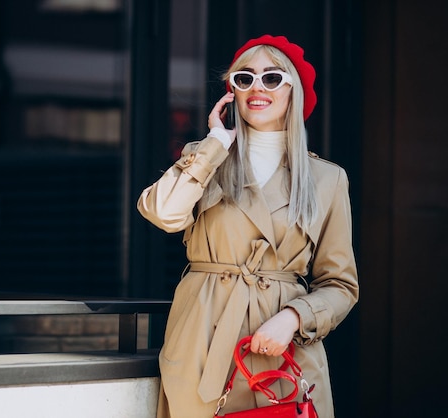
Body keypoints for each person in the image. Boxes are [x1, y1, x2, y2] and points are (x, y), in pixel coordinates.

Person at [137, 34, 359, 418]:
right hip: (203, 344)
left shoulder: (327, 179)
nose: (257, 87)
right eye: (244, 78)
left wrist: (294, 318)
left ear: (294, 92)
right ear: (233, 92)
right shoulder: (206, 158)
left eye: (272, 78)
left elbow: (340, 285)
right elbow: (163, 213)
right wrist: (213, 145)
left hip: (283, 354)